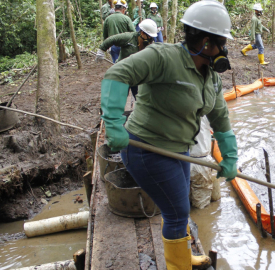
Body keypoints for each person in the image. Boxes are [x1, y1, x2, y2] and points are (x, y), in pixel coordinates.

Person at [100, 0, 237, 269]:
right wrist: (114, 123)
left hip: (179, 149)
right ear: (206, 43)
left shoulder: (211, 76)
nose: (225, 49)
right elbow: (117, 73)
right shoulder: (163, 57)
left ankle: (182, 255)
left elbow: (220, 118)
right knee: (177, 212)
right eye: (222, 42)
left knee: (176, 204)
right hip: (146, 149)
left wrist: (230, 156)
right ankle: (178, 266)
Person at [96, 19, 158, 100]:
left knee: (140, 97)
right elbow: (112, 39)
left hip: (137, 75)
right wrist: (101, 50)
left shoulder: (149, 44)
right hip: (123, 73)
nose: (150, 39)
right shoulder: (129, 38)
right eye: (149, 36)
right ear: (142, 33)